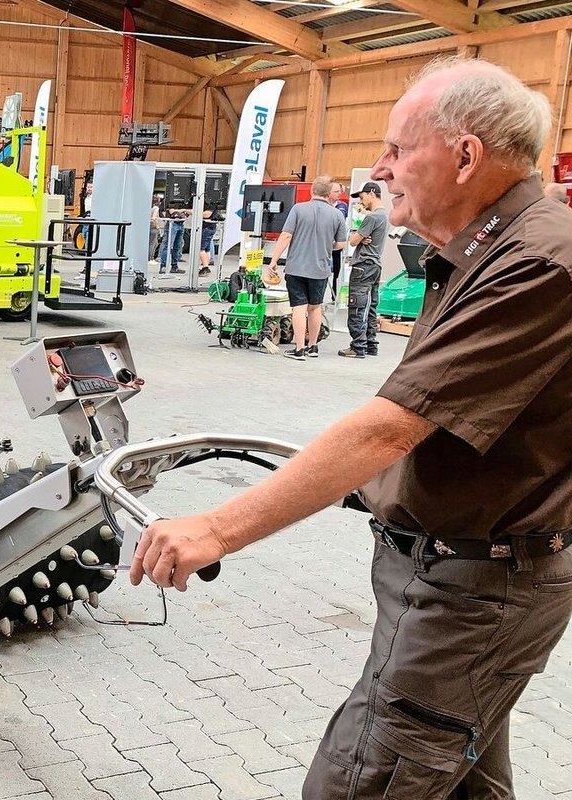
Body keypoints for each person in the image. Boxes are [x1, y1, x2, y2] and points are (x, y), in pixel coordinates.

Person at [130, 58, 572, 800]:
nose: (380, 167)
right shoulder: (486, 249)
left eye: (398, 148)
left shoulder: (535, 261)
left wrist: (218, 526)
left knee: (361, 782)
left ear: (465, 156)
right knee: (461, 784)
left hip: (474, 595)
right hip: (458, 577)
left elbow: (388, 431)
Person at [267, 176, 347, 360]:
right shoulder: (337, 215)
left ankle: (299, 349)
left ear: (312, 190)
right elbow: (341, 244)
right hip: (320, 269)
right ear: (329, 193)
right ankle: (313, 347)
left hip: (296, 268)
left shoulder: (298, 209)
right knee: (315, 307)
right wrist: (327, 247)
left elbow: (286, 236)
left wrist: (273, 261)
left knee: (299, 308)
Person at [338, 181, 389, 359]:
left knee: (357, 305)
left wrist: (358, 236)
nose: (361, 201)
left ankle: (357, 346)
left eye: (362, 197)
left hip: (363, 266)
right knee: (371, 306)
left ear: (372, 193)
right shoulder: (384, 215)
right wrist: (361, 237)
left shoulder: (372, 217)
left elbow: (352, 241)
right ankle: (370, 343)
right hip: (375, 266)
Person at [330, 182, 347, 300]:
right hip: (323, 243)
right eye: (336, 191)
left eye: (340, 191)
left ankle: (334, 296)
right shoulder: (323, 206)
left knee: (337, 270)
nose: (339, 194)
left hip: (337, 243)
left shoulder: (342, 206)